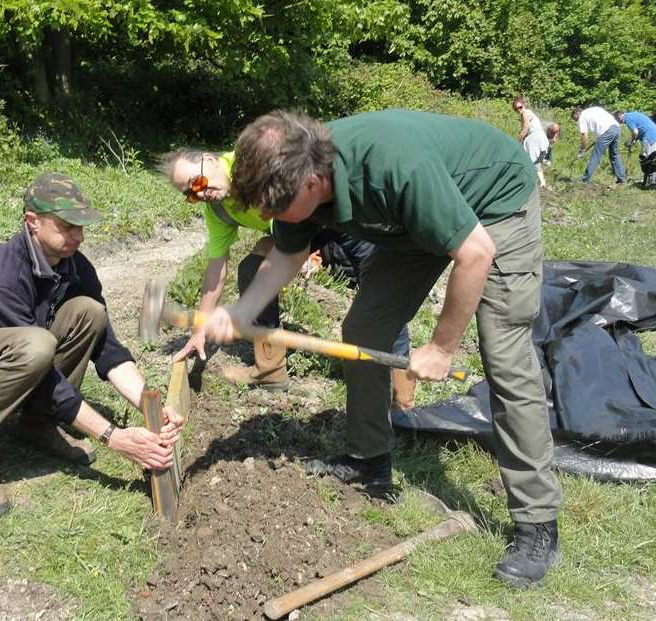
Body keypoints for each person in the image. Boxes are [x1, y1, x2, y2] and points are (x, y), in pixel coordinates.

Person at [204, 109, 564, 588]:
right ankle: (368, 461)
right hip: (413, 219)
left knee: (504, 353)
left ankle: (537, 522)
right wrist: (242, 310)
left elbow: (476, 252)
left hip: (494, 205)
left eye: (275, 209)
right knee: (365, 332)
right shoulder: (289, 176)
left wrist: (440, 346)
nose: (268, 219)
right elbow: (288, 253)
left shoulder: (393, 166)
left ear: (314, 180)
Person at [0, 172, 184, 518]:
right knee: (36, 345)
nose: (79, 236)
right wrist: (113, 437)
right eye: (67, 226)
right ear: (33, 222)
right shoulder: (0, 277)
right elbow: (41, 372)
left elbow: (107, 347)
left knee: (90, 312)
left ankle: (37, 424)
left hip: (14, 362)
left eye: (82, 226)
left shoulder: (75, 266)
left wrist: (150, 403)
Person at [157, 150, 416, 408]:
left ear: (210, 161)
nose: (200, 194)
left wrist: (300, 255)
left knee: (380, 296)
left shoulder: (252, 163)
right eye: (191, 195)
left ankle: (401, 396)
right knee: (252, 268)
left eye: (198, 183)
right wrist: (200, 328)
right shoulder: (218, 210)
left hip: (343, 219)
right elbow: (216, 269)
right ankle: (270, 369)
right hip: (295, 231)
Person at [571, 105, 626, 184]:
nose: (576, 121)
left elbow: (584, 136)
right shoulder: (594, 109)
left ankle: (585, 179)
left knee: (596, 155)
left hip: (606, 131)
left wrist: (582, 149)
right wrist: (599, 138)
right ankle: (622, 179)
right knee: (614, 155)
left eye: (575, 119)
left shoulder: (582, 117)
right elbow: (600, 123)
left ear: (577, 114)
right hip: (616, 128)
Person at [512, 96, 549, 188]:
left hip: (534, 137)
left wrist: (518, 140)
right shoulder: (526, 114)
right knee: (533, 159)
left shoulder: (526, 113)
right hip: (537, 137)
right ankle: (541, 181)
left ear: (524, 105)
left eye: (520, 107)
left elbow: (525, 129)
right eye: (516, 109)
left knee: (531, 160)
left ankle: (535, 181)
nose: (519, 110)